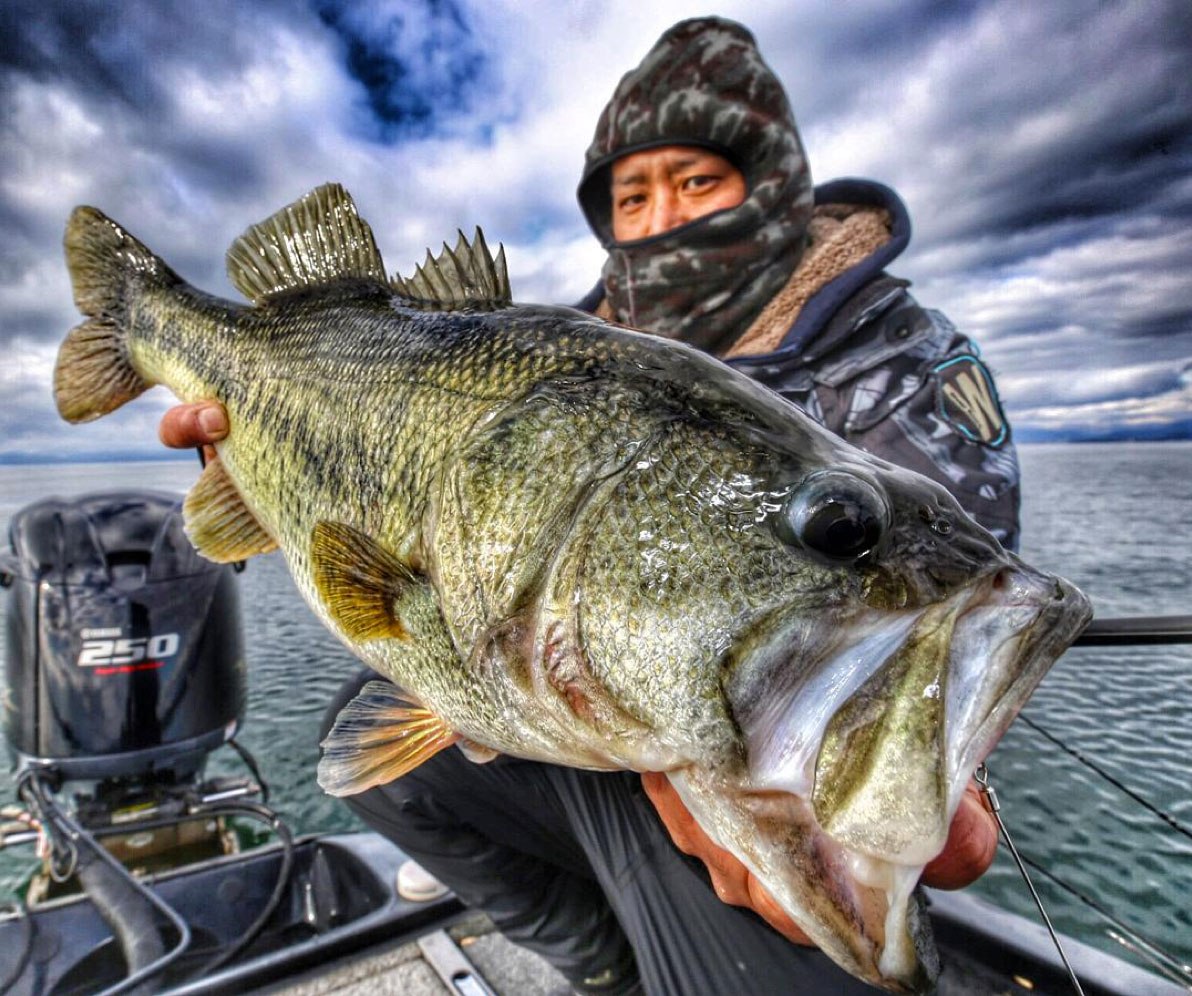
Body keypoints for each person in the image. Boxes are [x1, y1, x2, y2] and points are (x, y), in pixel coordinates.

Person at [161, 17, 1013, 995]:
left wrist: (936, 776)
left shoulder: (895, 361)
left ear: (772, 186)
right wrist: (256, 479)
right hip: (576, 704)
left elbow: (919, 600)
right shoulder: (563, 343)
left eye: (697, 180)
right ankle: (597, 965)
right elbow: (367, 551)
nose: (663, 216)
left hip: (714, 742)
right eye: (633, 195)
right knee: (378, 755)